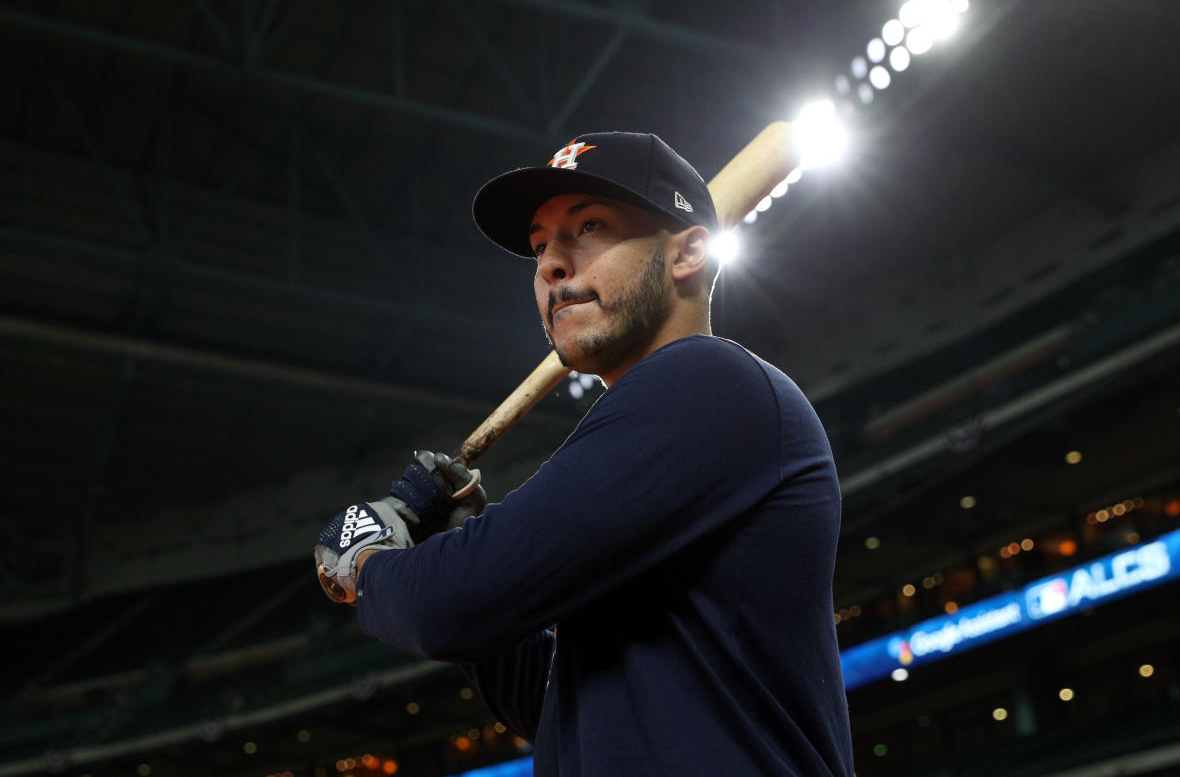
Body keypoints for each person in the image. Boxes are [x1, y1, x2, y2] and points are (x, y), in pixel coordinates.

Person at [314, 132, 854, 775]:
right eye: (541, 246)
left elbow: (453, 605)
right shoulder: (674, 421)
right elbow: (555, 705)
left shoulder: (707, 383)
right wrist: (457, 532)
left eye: (590, 227)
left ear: (687, 255)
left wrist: (368, 562)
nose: (551, 265)